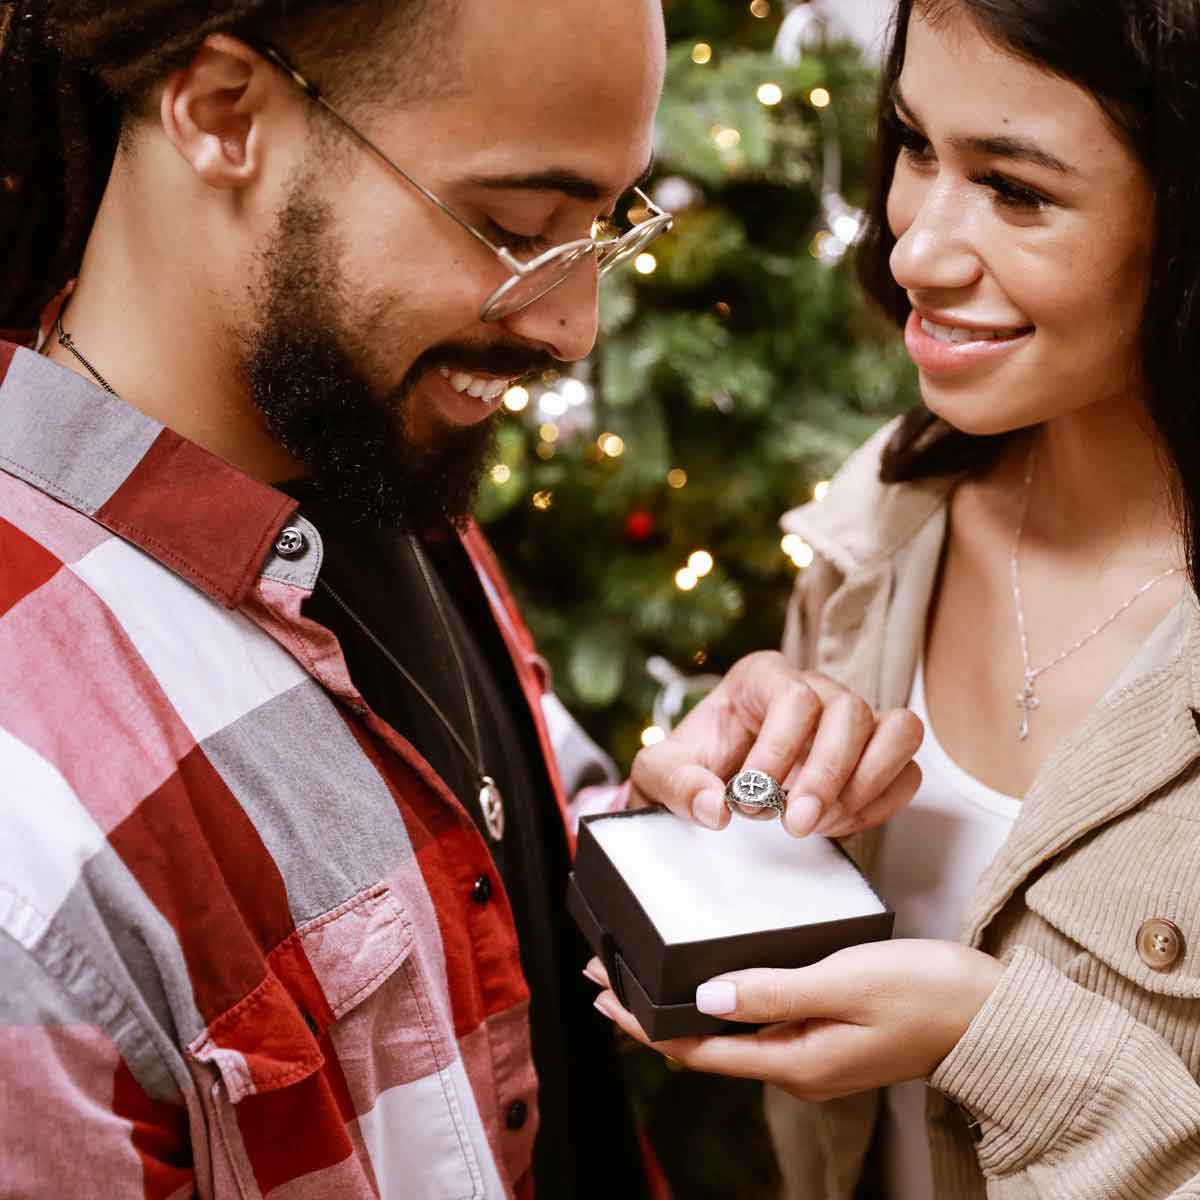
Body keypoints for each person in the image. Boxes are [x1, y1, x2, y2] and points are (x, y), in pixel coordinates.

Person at [0, 1, 925, 1196]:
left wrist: (666, 826)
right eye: (514, 227)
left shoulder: (355, 438)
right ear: (224, 114)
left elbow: (459, 875)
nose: (573, 326)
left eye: (604, 227)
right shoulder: (32, 855)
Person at [588, 0, 1200, 1196]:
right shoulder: (886, 512)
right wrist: (730, 817)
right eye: (917, 144)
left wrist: (1003, 1046)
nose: (915, 242)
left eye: (1016, 189)